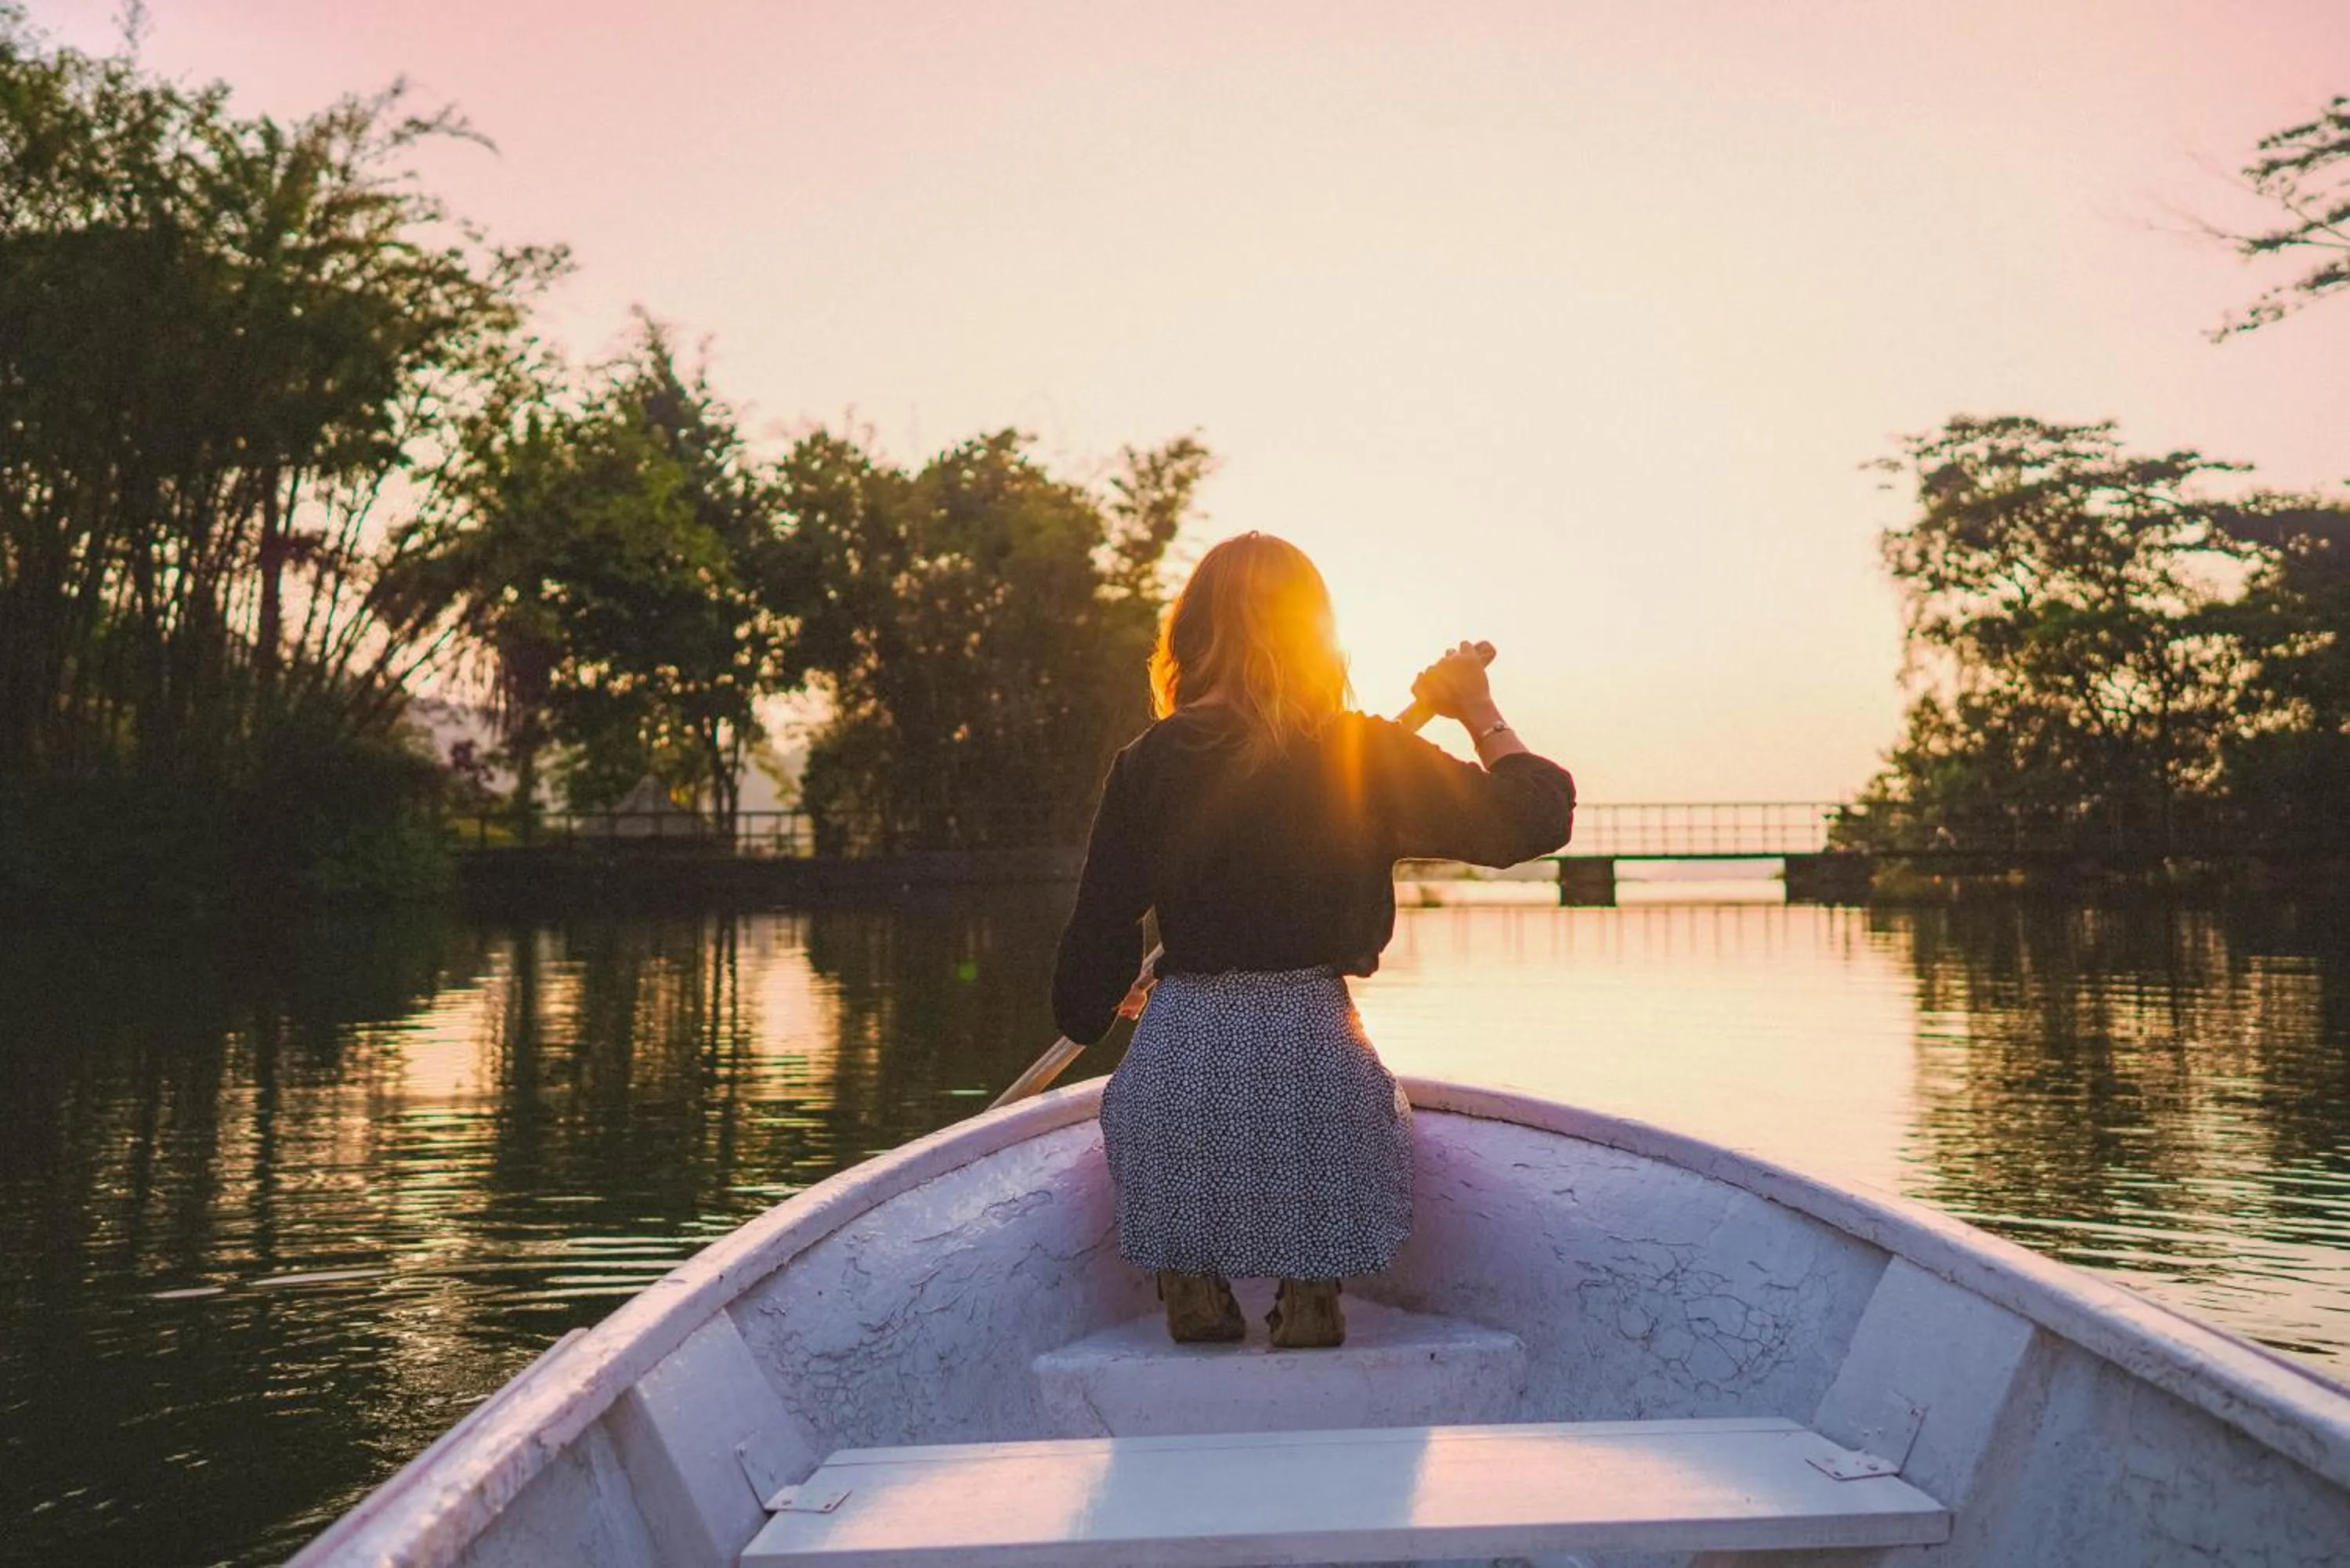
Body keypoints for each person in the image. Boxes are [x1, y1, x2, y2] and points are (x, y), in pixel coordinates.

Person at [1050, 532, 1576, 1348]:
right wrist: (1477, 707)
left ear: (1188, 637)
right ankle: (1311, 1286)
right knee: (1364, 1103)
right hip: (1316, 1072)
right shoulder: (1359, 749)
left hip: (1178, 1080)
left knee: (1153, 1099)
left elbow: (1088, 980)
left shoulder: (1147, 761)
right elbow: (1535, 816)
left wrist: (1114, 993)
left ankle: (1187, 1271)